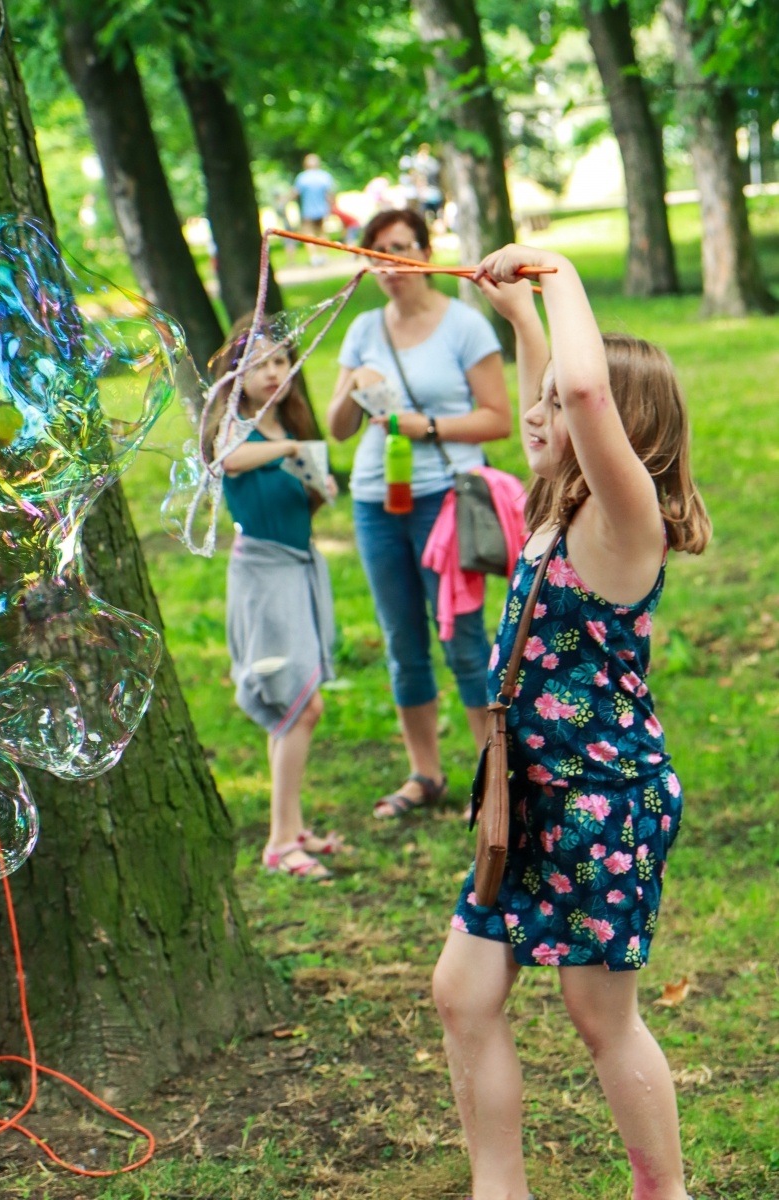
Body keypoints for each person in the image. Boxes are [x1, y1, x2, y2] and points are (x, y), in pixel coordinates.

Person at [432, 244, 711, 1200]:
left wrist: (556, 270)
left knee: (599, 1017)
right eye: (541, 396)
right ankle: (498, 1188)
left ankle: (661, 1191)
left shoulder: (624, 525)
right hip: (527, 798)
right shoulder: (560, 506)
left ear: (615, 432)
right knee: (462, 993)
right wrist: (520, 319)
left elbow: (585, 393)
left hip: (603, 807)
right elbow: (565, 397)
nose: (537, 415)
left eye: (554, 404)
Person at [326, 209, 512, 818]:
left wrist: (425, 426)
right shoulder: (363, 329)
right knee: (402, 641)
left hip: (446, 499)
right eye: (376, 253)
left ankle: (492, 782)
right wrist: (354, 383)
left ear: (426, 253)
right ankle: (425, 774)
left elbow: (498, 419)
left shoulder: (464, 325)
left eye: (400, 248)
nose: (389, 264)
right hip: (376, 501)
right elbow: (338, 428)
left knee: (463, 640)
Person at [206, 316, 341, 881]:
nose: (272, 372)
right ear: (236, 372)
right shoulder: (236, 426)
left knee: (295, 706)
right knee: (300, 707)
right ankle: (281, 842)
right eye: (258, 363)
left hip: (297, 568)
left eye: (280, 361)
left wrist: (319, 484)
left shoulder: (289, 422)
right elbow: (227, 460)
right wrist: (286, 448)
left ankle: (293, 827)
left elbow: (300, 495)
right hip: (263, 577)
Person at [290, 154, 335, 264]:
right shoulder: (324, 176)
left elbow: (295, 193)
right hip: (322, 209)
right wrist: (331, 208)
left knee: (308, 234)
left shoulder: (302, 177)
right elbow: (330, 194)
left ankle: (314, 257)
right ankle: (324, 256)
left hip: (307, 210)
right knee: (322, 233)